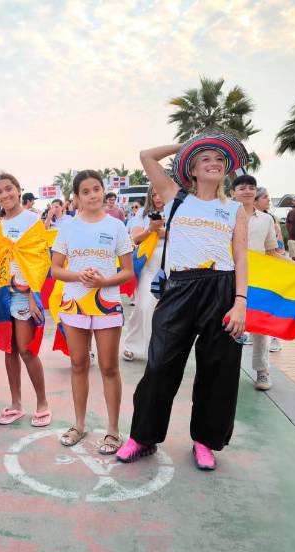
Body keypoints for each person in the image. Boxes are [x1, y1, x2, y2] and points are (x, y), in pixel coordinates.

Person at [118, 132, 249, 472]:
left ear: (226, 170)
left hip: (222, 288)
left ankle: (205, 441)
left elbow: (241, 258)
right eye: (205, 158)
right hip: (179, 288)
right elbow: (146, 154)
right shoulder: (175, 198)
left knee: (217, 370)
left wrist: (240, 302)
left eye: (219, 159)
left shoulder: (234, 209)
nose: (213, 163)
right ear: (191, 168)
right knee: (160, 365)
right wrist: (187, 145)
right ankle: (143, 437)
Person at [51, 170, 134, 455]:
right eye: (85, 191)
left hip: (107, 305)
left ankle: (113, 430)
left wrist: (103, 282)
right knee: (78, 365)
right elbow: (56, 269)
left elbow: (127, 272)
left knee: (110, 367)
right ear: (76, 197)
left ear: (103, 191)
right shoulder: (67, 227)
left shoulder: (117, 227)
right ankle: (79, 424)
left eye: (96, 189)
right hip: (74, 304)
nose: (92, 195)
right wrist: (78, 276)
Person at [0, 173, 51, 427]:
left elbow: (40, 260)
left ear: (18, 189)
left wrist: (33, 296)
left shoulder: (33, 221)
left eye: (9, 189)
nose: (5, 195)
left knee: (27, 350)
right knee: (9, 349)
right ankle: (16, 403)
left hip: (25, 294)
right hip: (3, 293)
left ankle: (43, 403)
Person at [232, 176, 279, 391]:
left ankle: (262, 371)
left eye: (251, 187)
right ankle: (226, 370)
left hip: (259, 278)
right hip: (230, 277)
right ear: (233, 192)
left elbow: (273, 251)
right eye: (242, 187)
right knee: (229, 324)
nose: (248, 191)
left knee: (262, 325)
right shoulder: (225, 216)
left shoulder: (267, 219)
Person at [122, 185, 165, 362]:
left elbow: (184, 235)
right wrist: (152, 230)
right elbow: (137, 238)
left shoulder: (178, 212)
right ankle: (132, 345)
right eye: (153, 194)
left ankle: (160, 348)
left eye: (160, 193)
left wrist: (161, 232)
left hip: (173, 266)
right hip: (147, 266)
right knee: (143, 306)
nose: (157, 197)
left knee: (165, 311)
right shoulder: (141, 215)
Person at [253, 186, 285, 353]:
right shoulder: (240, 216)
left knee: (267, 308)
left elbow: (277, 248)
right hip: (251, 270)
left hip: (266, 268)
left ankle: (274, 338)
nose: (268, 200)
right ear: (255, 200)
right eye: (265, 197)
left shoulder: (269, 219)